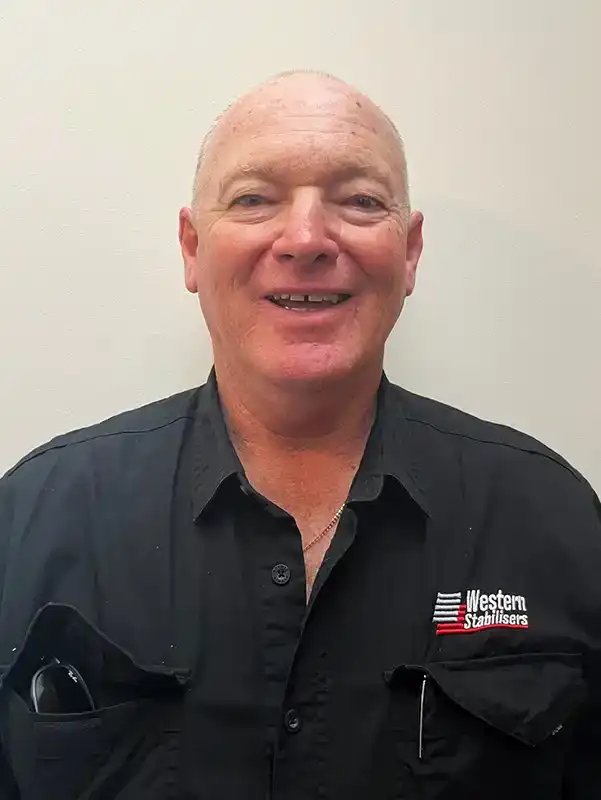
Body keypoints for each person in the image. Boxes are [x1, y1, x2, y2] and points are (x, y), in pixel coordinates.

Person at [0, 70, 599, 800]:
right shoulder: (35, 517)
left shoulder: (552, 519)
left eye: (359, 201)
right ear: (192, 247)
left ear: (408, 253)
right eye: (254, 199)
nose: (307, 238)